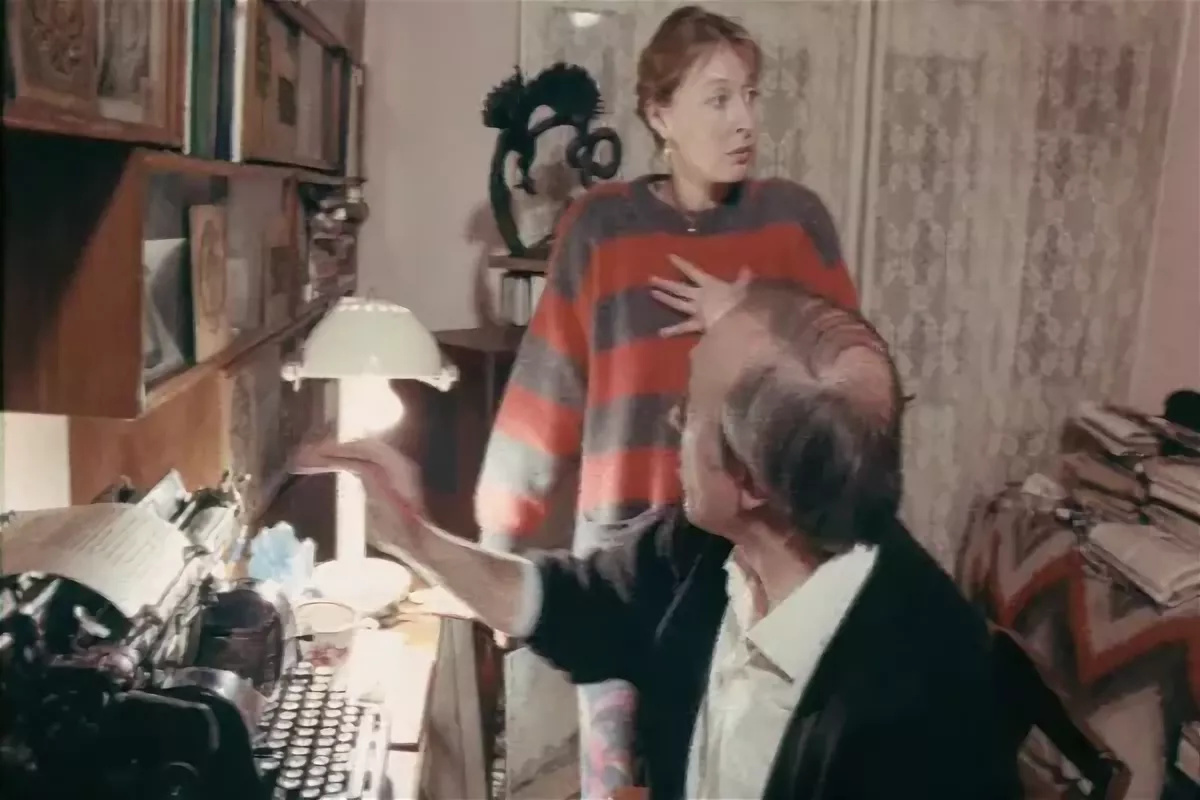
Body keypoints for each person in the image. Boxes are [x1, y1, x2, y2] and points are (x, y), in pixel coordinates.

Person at [296, 286, 1017, 800]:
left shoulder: (933, 696)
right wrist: (415, 539)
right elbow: (571, 603)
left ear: (749, 479)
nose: (674, 422)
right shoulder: (702, 548)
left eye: (691, 410)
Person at [473, 7, 858, 795]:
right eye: (718, 98)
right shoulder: (602, 228)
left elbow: (854, 391)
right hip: (623, 563)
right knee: (616, 782)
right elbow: (545, 391)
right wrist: (495, 545)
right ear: (659, 114)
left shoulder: (795, 222)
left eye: (751, 95)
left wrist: (748, 320)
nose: (744, 119)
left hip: (755, 571)